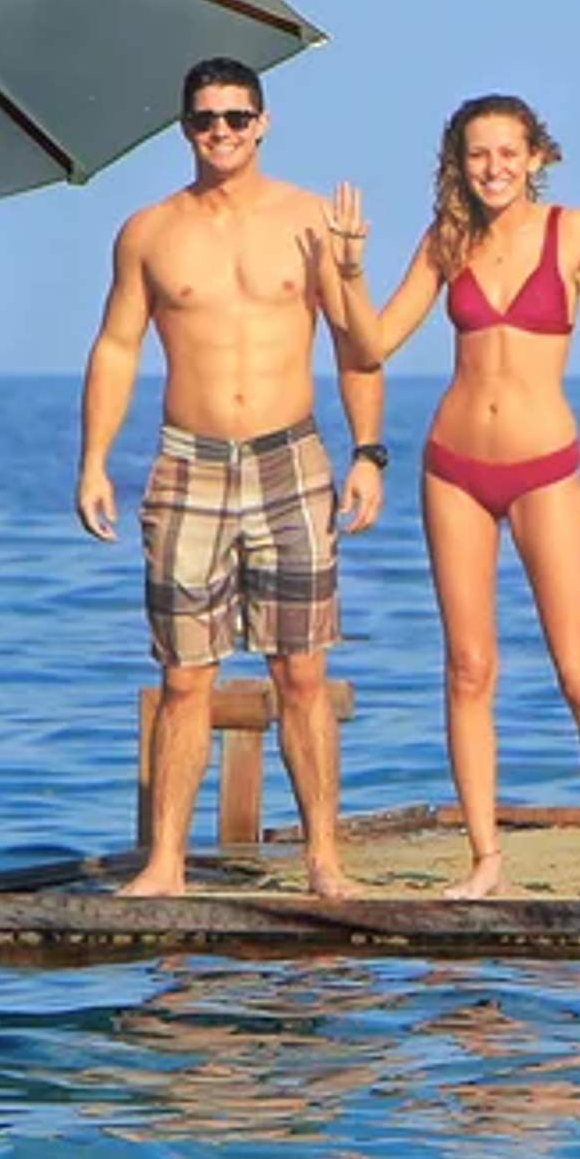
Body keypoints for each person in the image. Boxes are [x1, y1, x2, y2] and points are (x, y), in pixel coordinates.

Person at [340, 94, 580, 898]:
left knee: (577, 668)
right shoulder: (446, 240)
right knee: (467, 667)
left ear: (536, 157)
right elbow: (374, 340)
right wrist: (349, 271)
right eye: (476, 155)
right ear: (457, 164)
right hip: (451, 466)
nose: (492, 168)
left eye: (507, 153)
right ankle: (485, 860)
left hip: (545, 469)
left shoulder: (577, 234)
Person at [76, 58, 388, 898]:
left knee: (302, 671)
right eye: (207, 119)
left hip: (292, 456)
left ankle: (324, 858)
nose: (222, 133)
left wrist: (369, 452)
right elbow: (116, 347)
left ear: (264, 122)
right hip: (188, 460)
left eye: (238, 117)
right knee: (184, 678)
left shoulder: (313, 221)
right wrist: (95, 461)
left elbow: (357, 346)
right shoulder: (149, 230)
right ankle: (167, 865)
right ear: (185, 128)